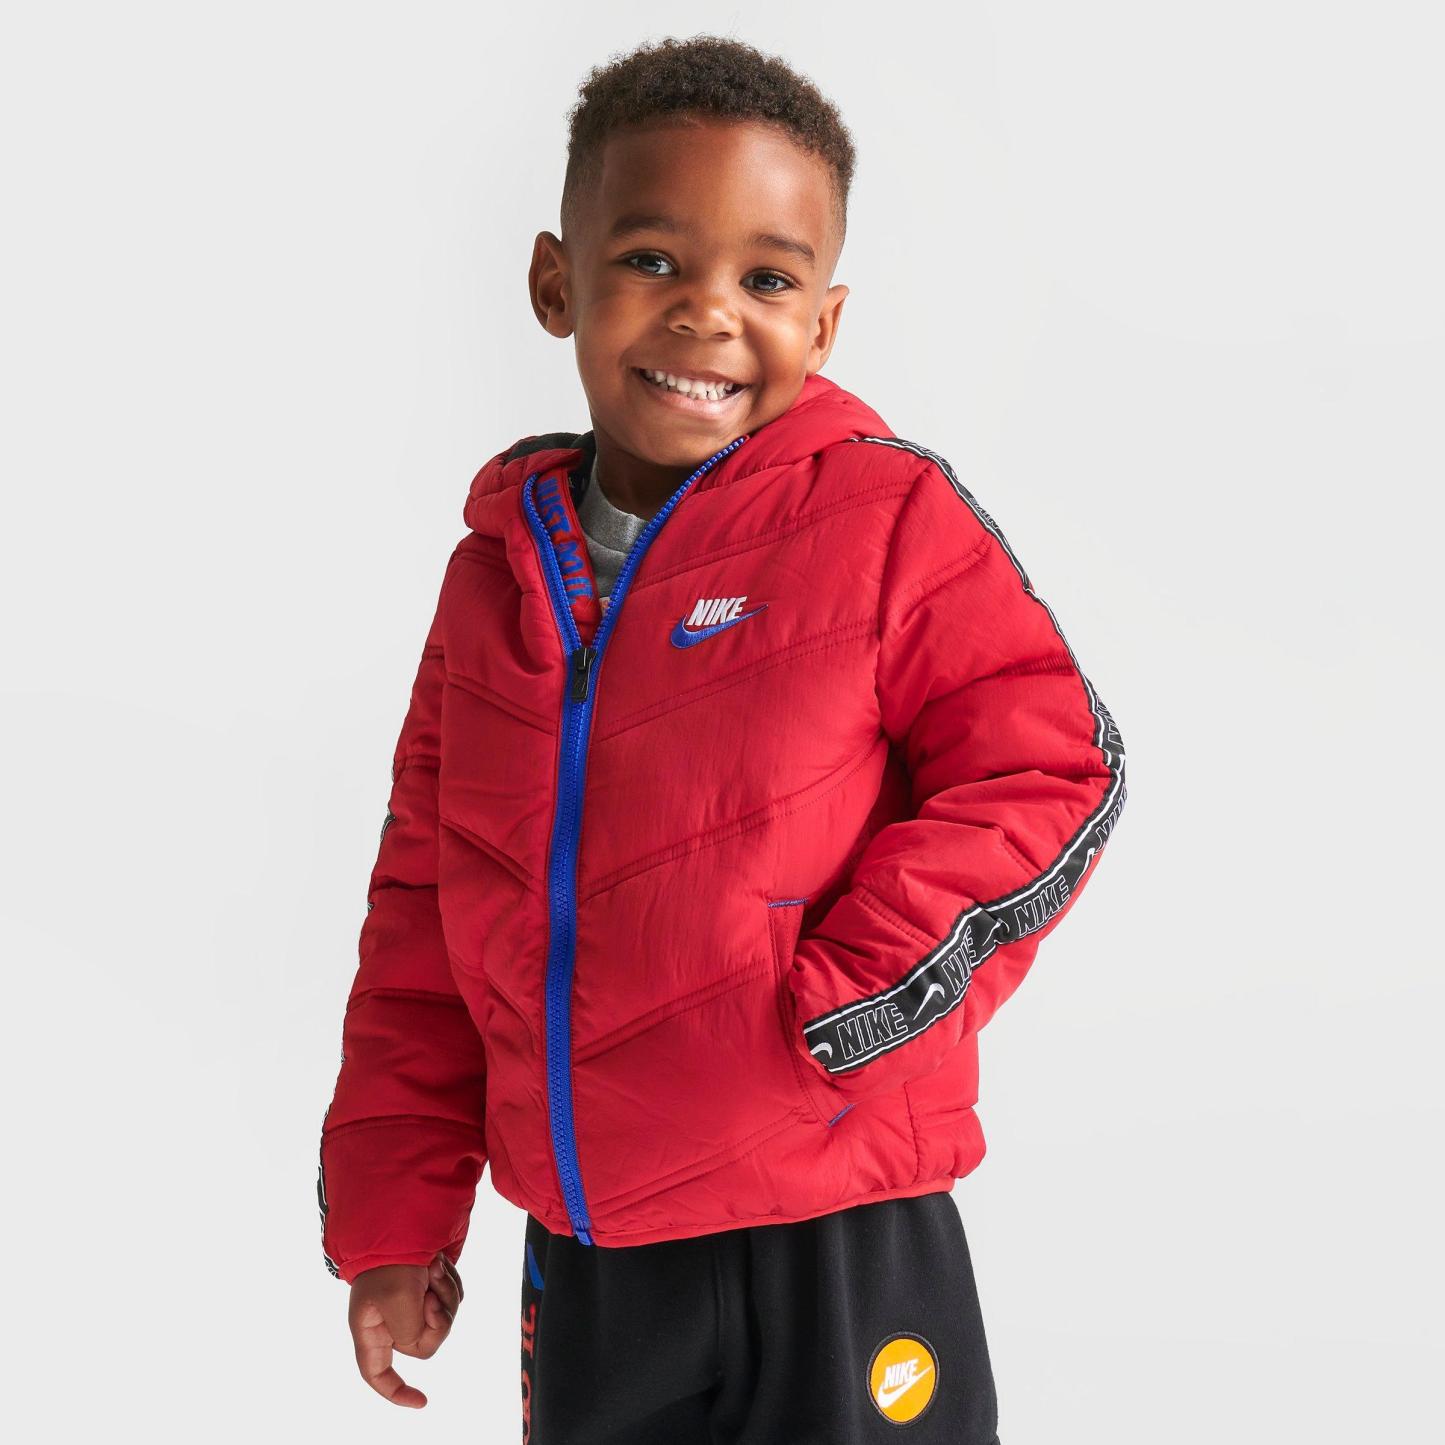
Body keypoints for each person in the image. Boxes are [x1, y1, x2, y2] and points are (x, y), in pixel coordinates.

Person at [316, 34, 1128, 1445]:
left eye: (767, 279)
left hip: (838, 1227)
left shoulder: (885, 521)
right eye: (651, 261)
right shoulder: (496, 582)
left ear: (825, 323)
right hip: (597, 1255)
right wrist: (396, 1215)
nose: (707, 313)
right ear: (555, 283)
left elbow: (1053, 767)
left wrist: (849, 1006)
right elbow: (422, 912)